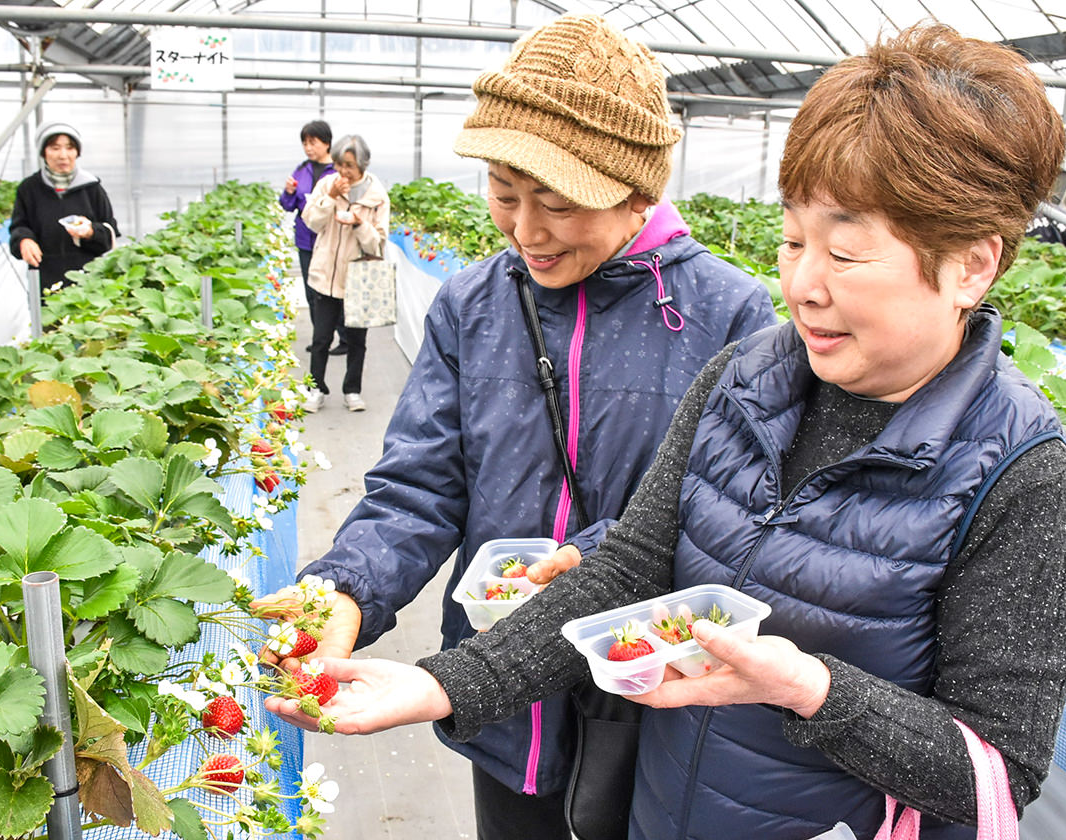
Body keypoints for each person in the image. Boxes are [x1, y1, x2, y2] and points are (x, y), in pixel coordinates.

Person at [265, 24, 1066, 840]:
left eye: (843, 254)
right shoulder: (743, 378)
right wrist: (435, 683)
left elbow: (998, 772)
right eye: (793, 240)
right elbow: (632, 563)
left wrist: (811, 689)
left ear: (973, 266)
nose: (803, 284)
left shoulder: (1018, 471)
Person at [261, 14, 776, 840]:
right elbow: (421, 484)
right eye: (505, 193)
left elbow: (727, 519)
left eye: (559, 204)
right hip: (502, 708)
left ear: (637, 191)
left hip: (651, 701)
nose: (526, 231)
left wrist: (595, 562)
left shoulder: (726, 314)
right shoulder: (476, 304)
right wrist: (348, 590)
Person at [299, 134, 391, 413]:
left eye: (349, 165)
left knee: (356, 340)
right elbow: (311, 222)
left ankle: (352, 390)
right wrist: (329, 199)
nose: (343, 172)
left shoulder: (377, 196)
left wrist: (358, 222)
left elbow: (378, 243)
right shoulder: (327, 184)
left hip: (360, 277)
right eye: (339, 164)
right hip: (326, 274)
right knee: (321, 338)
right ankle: (316, 388)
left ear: (362, 164)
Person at [9, 121, 118, 293]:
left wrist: (90, 232)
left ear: (77, 152)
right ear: (43, 152)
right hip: (46, 281)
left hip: (89, 282)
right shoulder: (29, 189)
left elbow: (110, 232)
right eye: (54, 148)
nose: (63, 155)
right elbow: (19, 226)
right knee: (49, 319)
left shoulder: (91, 187)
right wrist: (24, 240)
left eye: (70, 148)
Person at [279, 120, 350, 356]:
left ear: (327, 143)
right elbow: (289, 206)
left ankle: (345, 338)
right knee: (313, 293)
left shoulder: (339, 171)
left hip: (332, 241)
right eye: (305, 143)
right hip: (306, 240)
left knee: (335, 290)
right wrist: (288, 193)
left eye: (313, 142)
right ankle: (321, 337)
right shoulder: (301, 170)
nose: (308, 148)